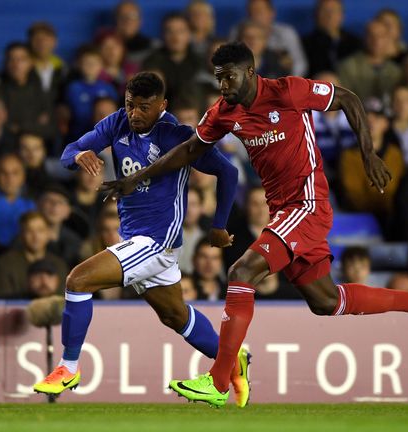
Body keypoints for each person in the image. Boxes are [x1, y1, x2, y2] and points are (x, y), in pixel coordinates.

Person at [103, 42, 408, 407]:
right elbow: (190, 149)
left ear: (250, 72)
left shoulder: (288, 91)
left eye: (229, 77)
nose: (223, 85)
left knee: (241, 272)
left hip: (308, 204)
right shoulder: (223, 111)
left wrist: (368, 154)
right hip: (283, 211)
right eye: (219, 78)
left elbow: (347, 98)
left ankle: (219, 381)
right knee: (326, 301)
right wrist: (137, 176)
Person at [32, 72, 250, 406]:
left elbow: (229, 171)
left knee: (78, 280)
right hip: (135, 239)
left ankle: (68, 368)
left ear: (162, 105)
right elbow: (69, 150)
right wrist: (78, 156)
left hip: (157, 241)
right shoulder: (117, 122)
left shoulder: (177, 135)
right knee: (175, 316)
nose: (135, 113)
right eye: (130, 104)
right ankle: (233, 361)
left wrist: (219, 224)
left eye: (144, 107)